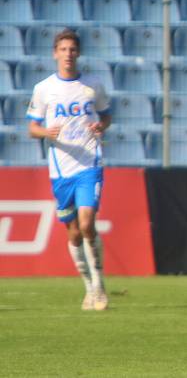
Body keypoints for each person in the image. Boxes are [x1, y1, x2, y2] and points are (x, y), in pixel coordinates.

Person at [27, 29, 112, 311]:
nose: (68, 54)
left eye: (72, 49)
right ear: (55, 53)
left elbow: (106, 114)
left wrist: (101, 125)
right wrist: (45, 132)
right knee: (73, 233)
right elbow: (32, 127)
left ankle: (100, 286)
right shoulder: (43, 89)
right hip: (61, 170)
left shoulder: (92, 85)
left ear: (78, 53)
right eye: (63, 49)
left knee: (87, 223)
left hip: (89, 163)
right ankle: (88, 287)